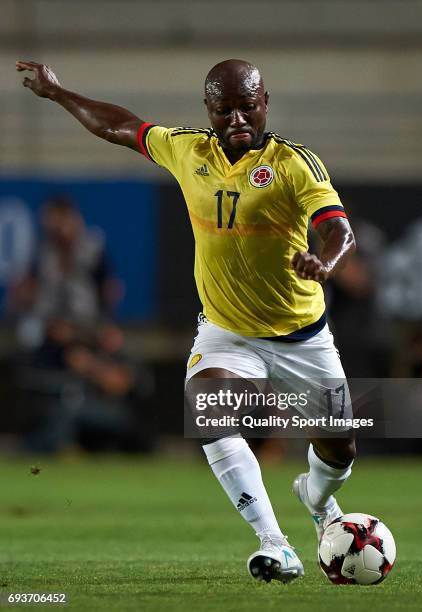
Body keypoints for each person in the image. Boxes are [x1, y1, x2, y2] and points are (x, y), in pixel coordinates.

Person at [16, 58, 356, 584]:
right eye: (225, 109)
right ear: (208, 110)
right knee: (207, 407)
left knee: (339, 450)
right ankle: (275, 543)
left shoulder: (294, 164)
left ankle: (315, 496)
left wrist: (324, 263)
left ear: (266, 101)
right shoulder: (187, 148)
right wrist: (60, 93)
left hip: (301, 336)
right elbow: (118, 125)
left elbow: (338, 229)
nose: (238, 118)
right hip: (227, 329)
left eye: (248, 106)